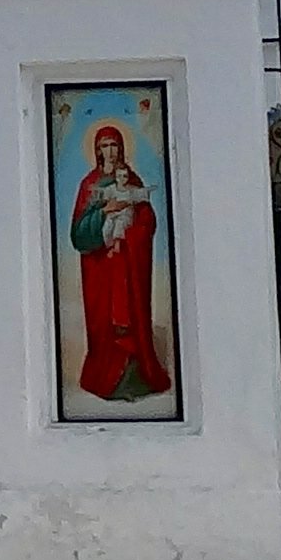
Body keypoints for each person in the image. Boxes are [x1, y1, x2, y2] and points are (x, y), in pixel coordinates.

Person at [66, 118, 171, 403]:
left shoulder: (132, 180)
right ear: (97, 150)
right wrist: (104, 213)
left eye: (114, 145)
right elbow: (78, 234)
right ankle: (108, 380)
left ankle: (135, 380)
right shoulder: (88, 185)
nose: (110, 152)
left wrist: (135, 230)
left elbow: (148, 218)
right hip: (101, 270)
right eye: (104, 146)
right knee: (105, 324)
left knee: (131, 320)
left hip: (127, 266)